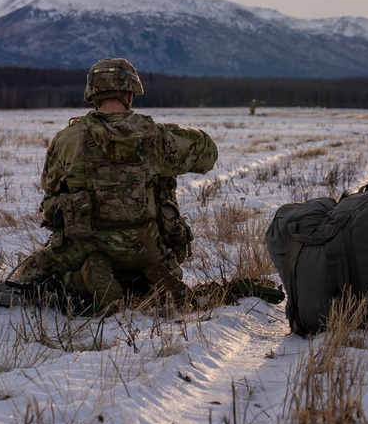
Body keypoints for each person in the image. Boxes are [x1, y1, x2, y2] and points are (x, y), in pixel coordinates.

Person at [15, 58, 219, 313]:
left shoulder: (67, 139)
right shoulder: (157, 137)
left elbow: (51, 192)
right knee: (146, 265)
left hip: (84, 246)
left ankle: (83, 278)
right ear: (129, 95)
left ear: (93, 95)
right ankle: (148, 276)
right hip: (145, 247)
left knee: (27, 276)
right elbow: (208, 154)